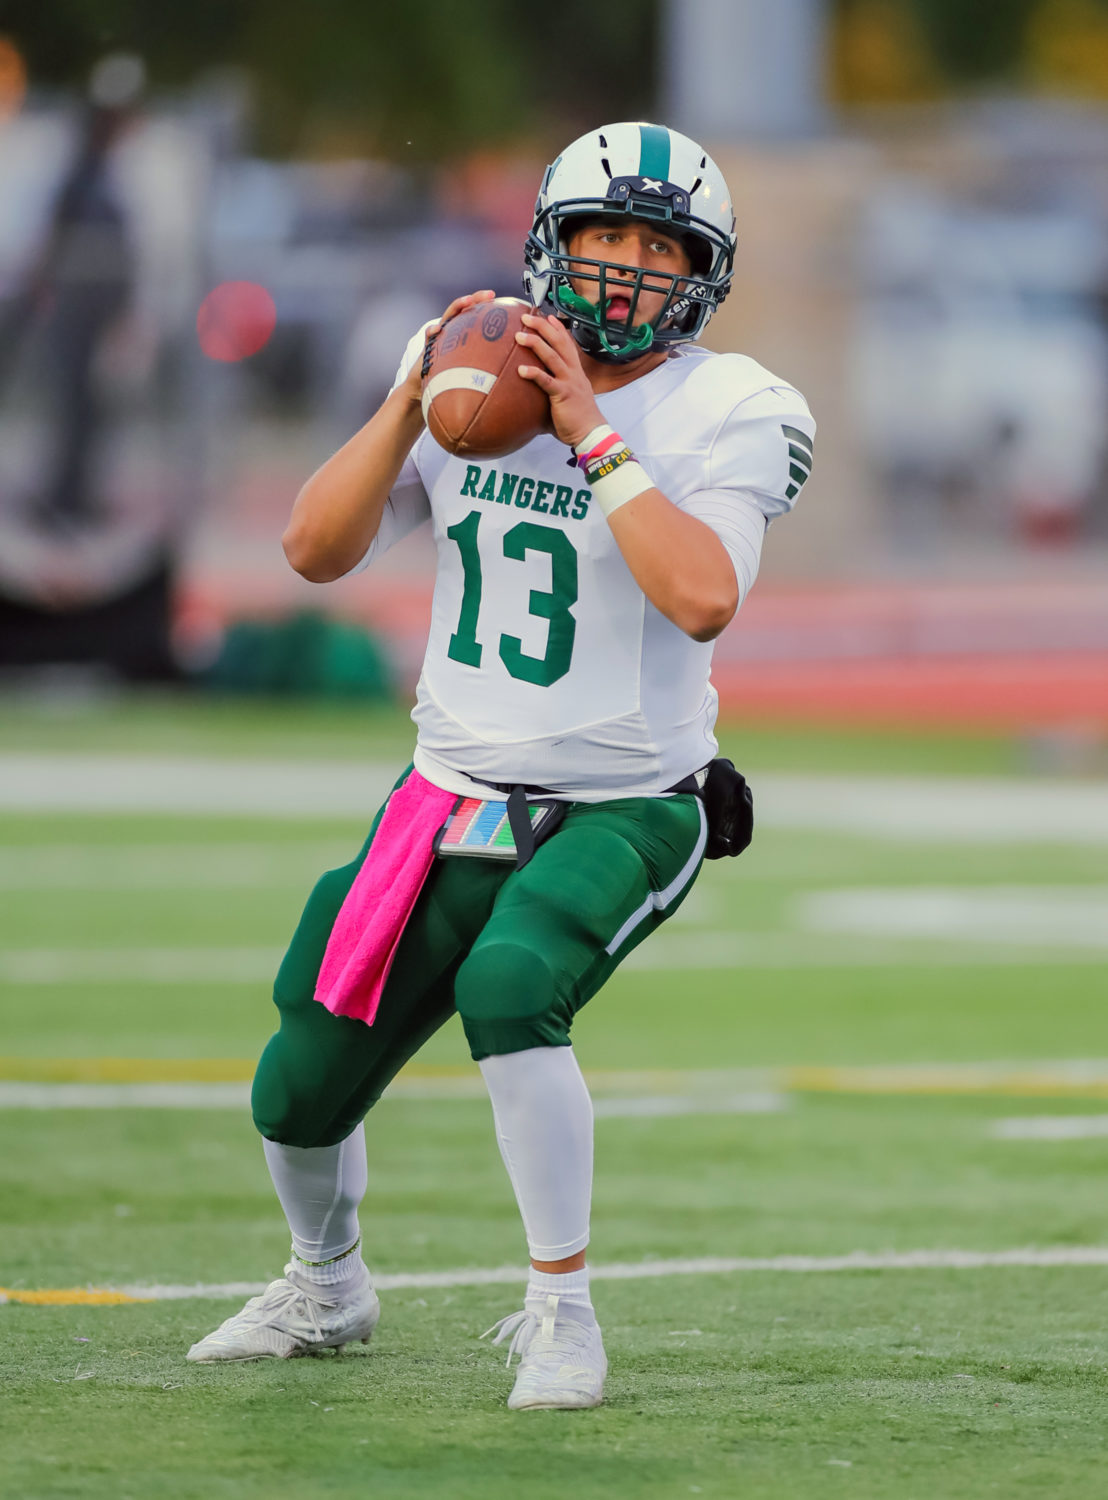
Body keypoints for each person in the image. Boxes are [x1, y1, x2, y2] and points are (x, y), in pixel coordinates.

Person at [186, 121, 815, 1410]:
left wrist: (591, 430)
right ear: (550, 242)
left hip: (634, 796)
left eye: (660, 246)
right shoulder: (469, 368)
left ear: (704, 271)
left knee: (515, 978)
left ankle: (560, 1309)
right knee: (298, 1082)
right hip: (444, 791)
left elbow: (702, 599)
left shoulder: (733, 405)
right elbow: (313, 551)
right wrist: (411, 390)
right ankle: (327, 1280)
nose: (629, 269)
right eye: (603, 237)